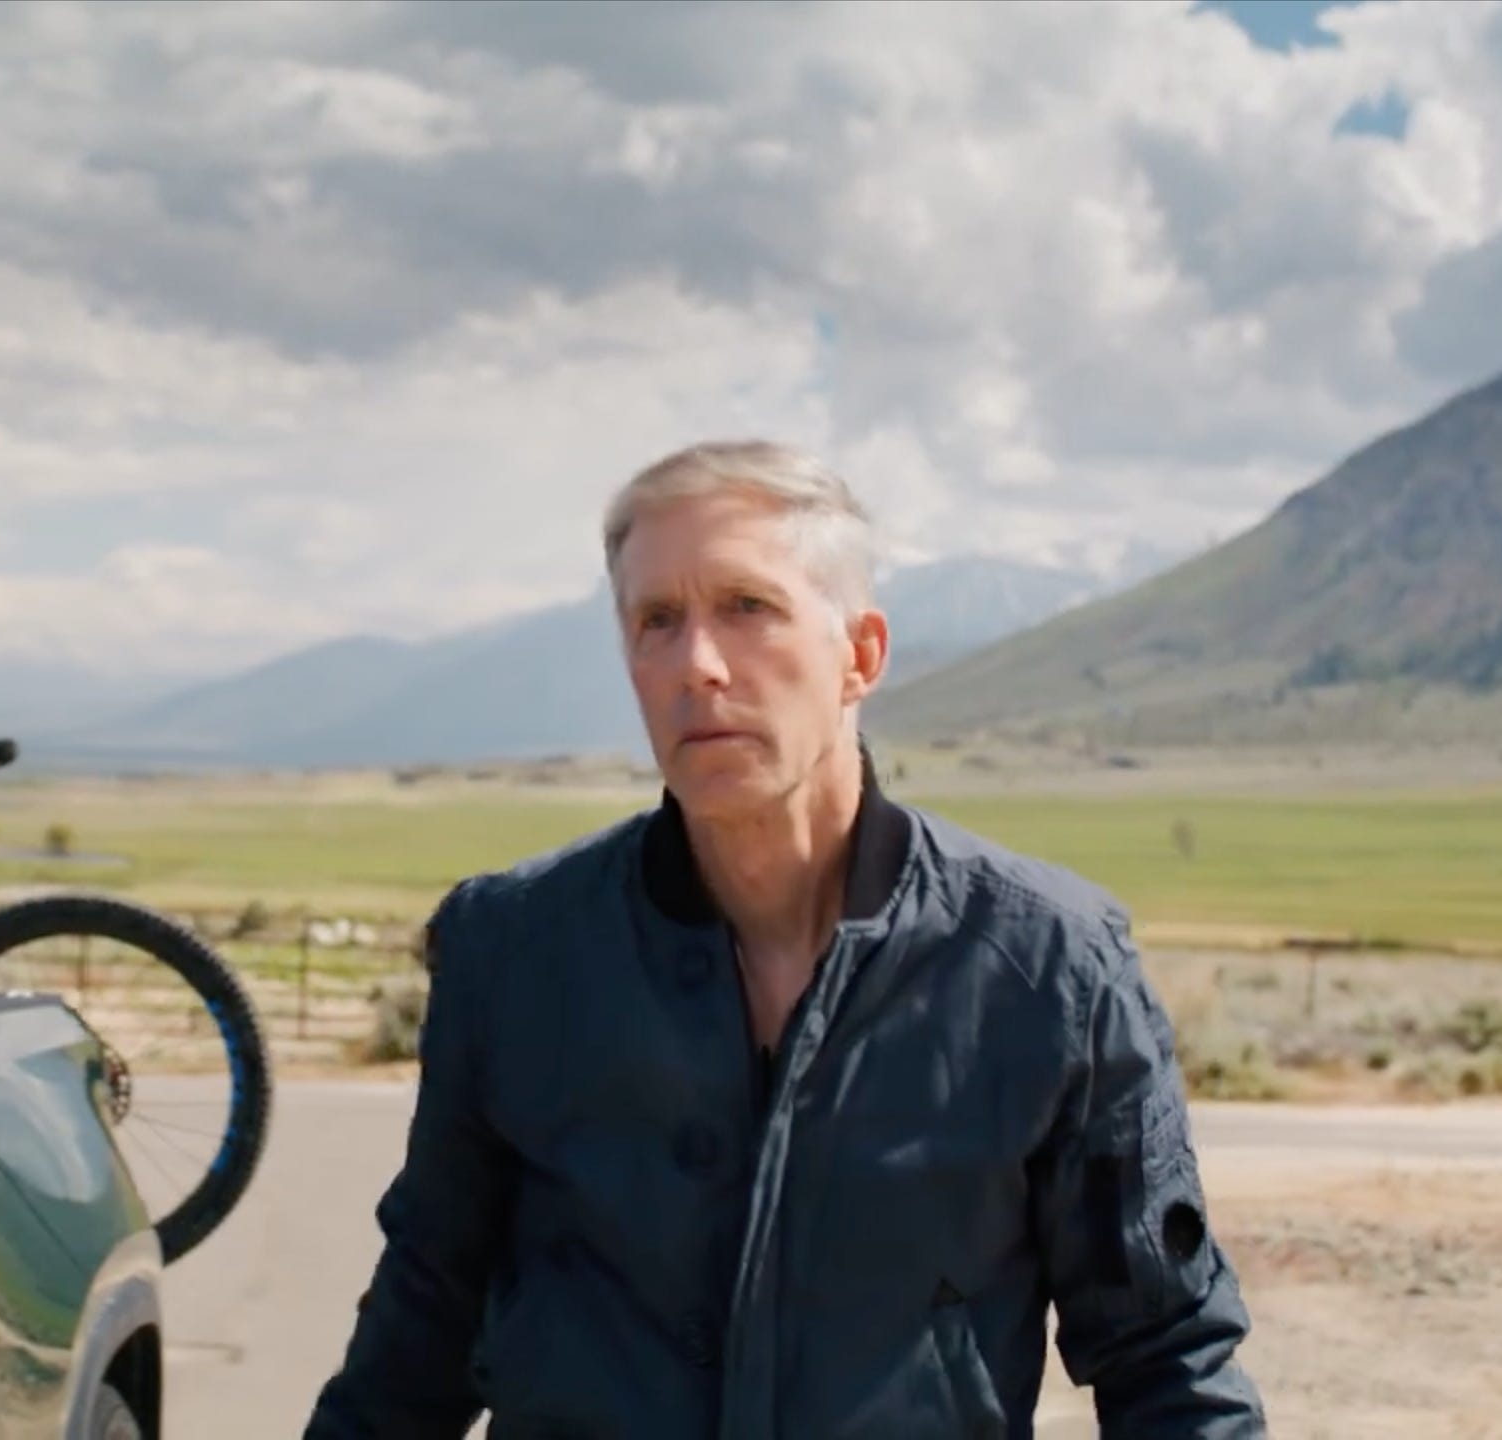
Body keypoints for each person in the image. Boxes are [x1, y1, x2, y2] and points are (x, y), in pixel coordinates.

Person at [305, 440, 1265, 1438]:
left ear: (861, 655)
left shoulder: (1046, 968)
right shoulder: (516, 953)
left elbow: (1167, 1360)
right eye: (657, 621)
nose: (697, 665)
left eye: (746, 607)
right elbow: (416, 1340)